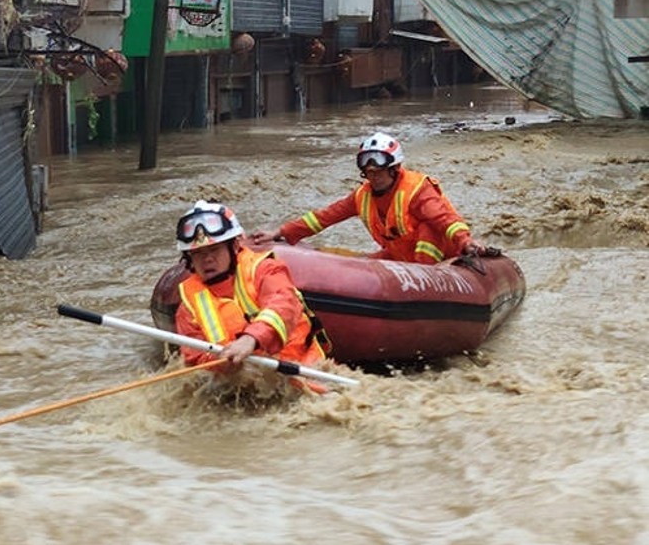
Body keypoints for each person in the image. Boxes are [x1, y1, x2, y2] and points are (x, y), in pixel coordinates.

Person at [251, 132, 485, 264]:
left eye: (380, 171)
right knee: (360, 262)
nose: (375, 177)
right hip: (400, 257)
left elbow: (445, 220)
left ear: (394, 169)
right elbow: (323, 218)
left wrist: (465, 241)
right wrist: (280, 232)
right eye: (369, 172)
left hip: (435, 257)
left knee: (428, 228)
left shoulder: (416, 190)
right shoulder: (362, 196)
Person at [173, 200, 330, 386]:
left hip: (300, 370)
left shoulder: (265, 270)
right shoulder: (188, 307)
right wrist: (221, 365)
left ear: (234, 246)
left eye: (214, 249)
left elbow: (283, 304)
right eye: (198, 253)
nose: (207, 259)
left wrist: (251, 339)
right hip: (242, 385)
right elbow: (195, 359)